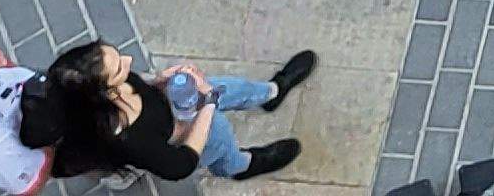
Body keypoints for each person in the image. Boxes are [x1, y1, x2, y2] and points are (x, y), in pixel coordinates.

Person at [40, 42, 309, 182]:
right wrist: (209, 101)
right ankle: (244, 166)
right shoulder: (128, 140)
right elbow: (180, 165)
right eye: (121, 68)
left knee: (234, 87)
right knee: (221, 141)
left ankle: (273, 91)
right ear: (105, 94)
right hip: (183, 133)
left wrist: (160, 80)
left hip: (178, 105)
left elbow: (141, 85)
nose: (129, 61)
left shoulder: (98, 90)